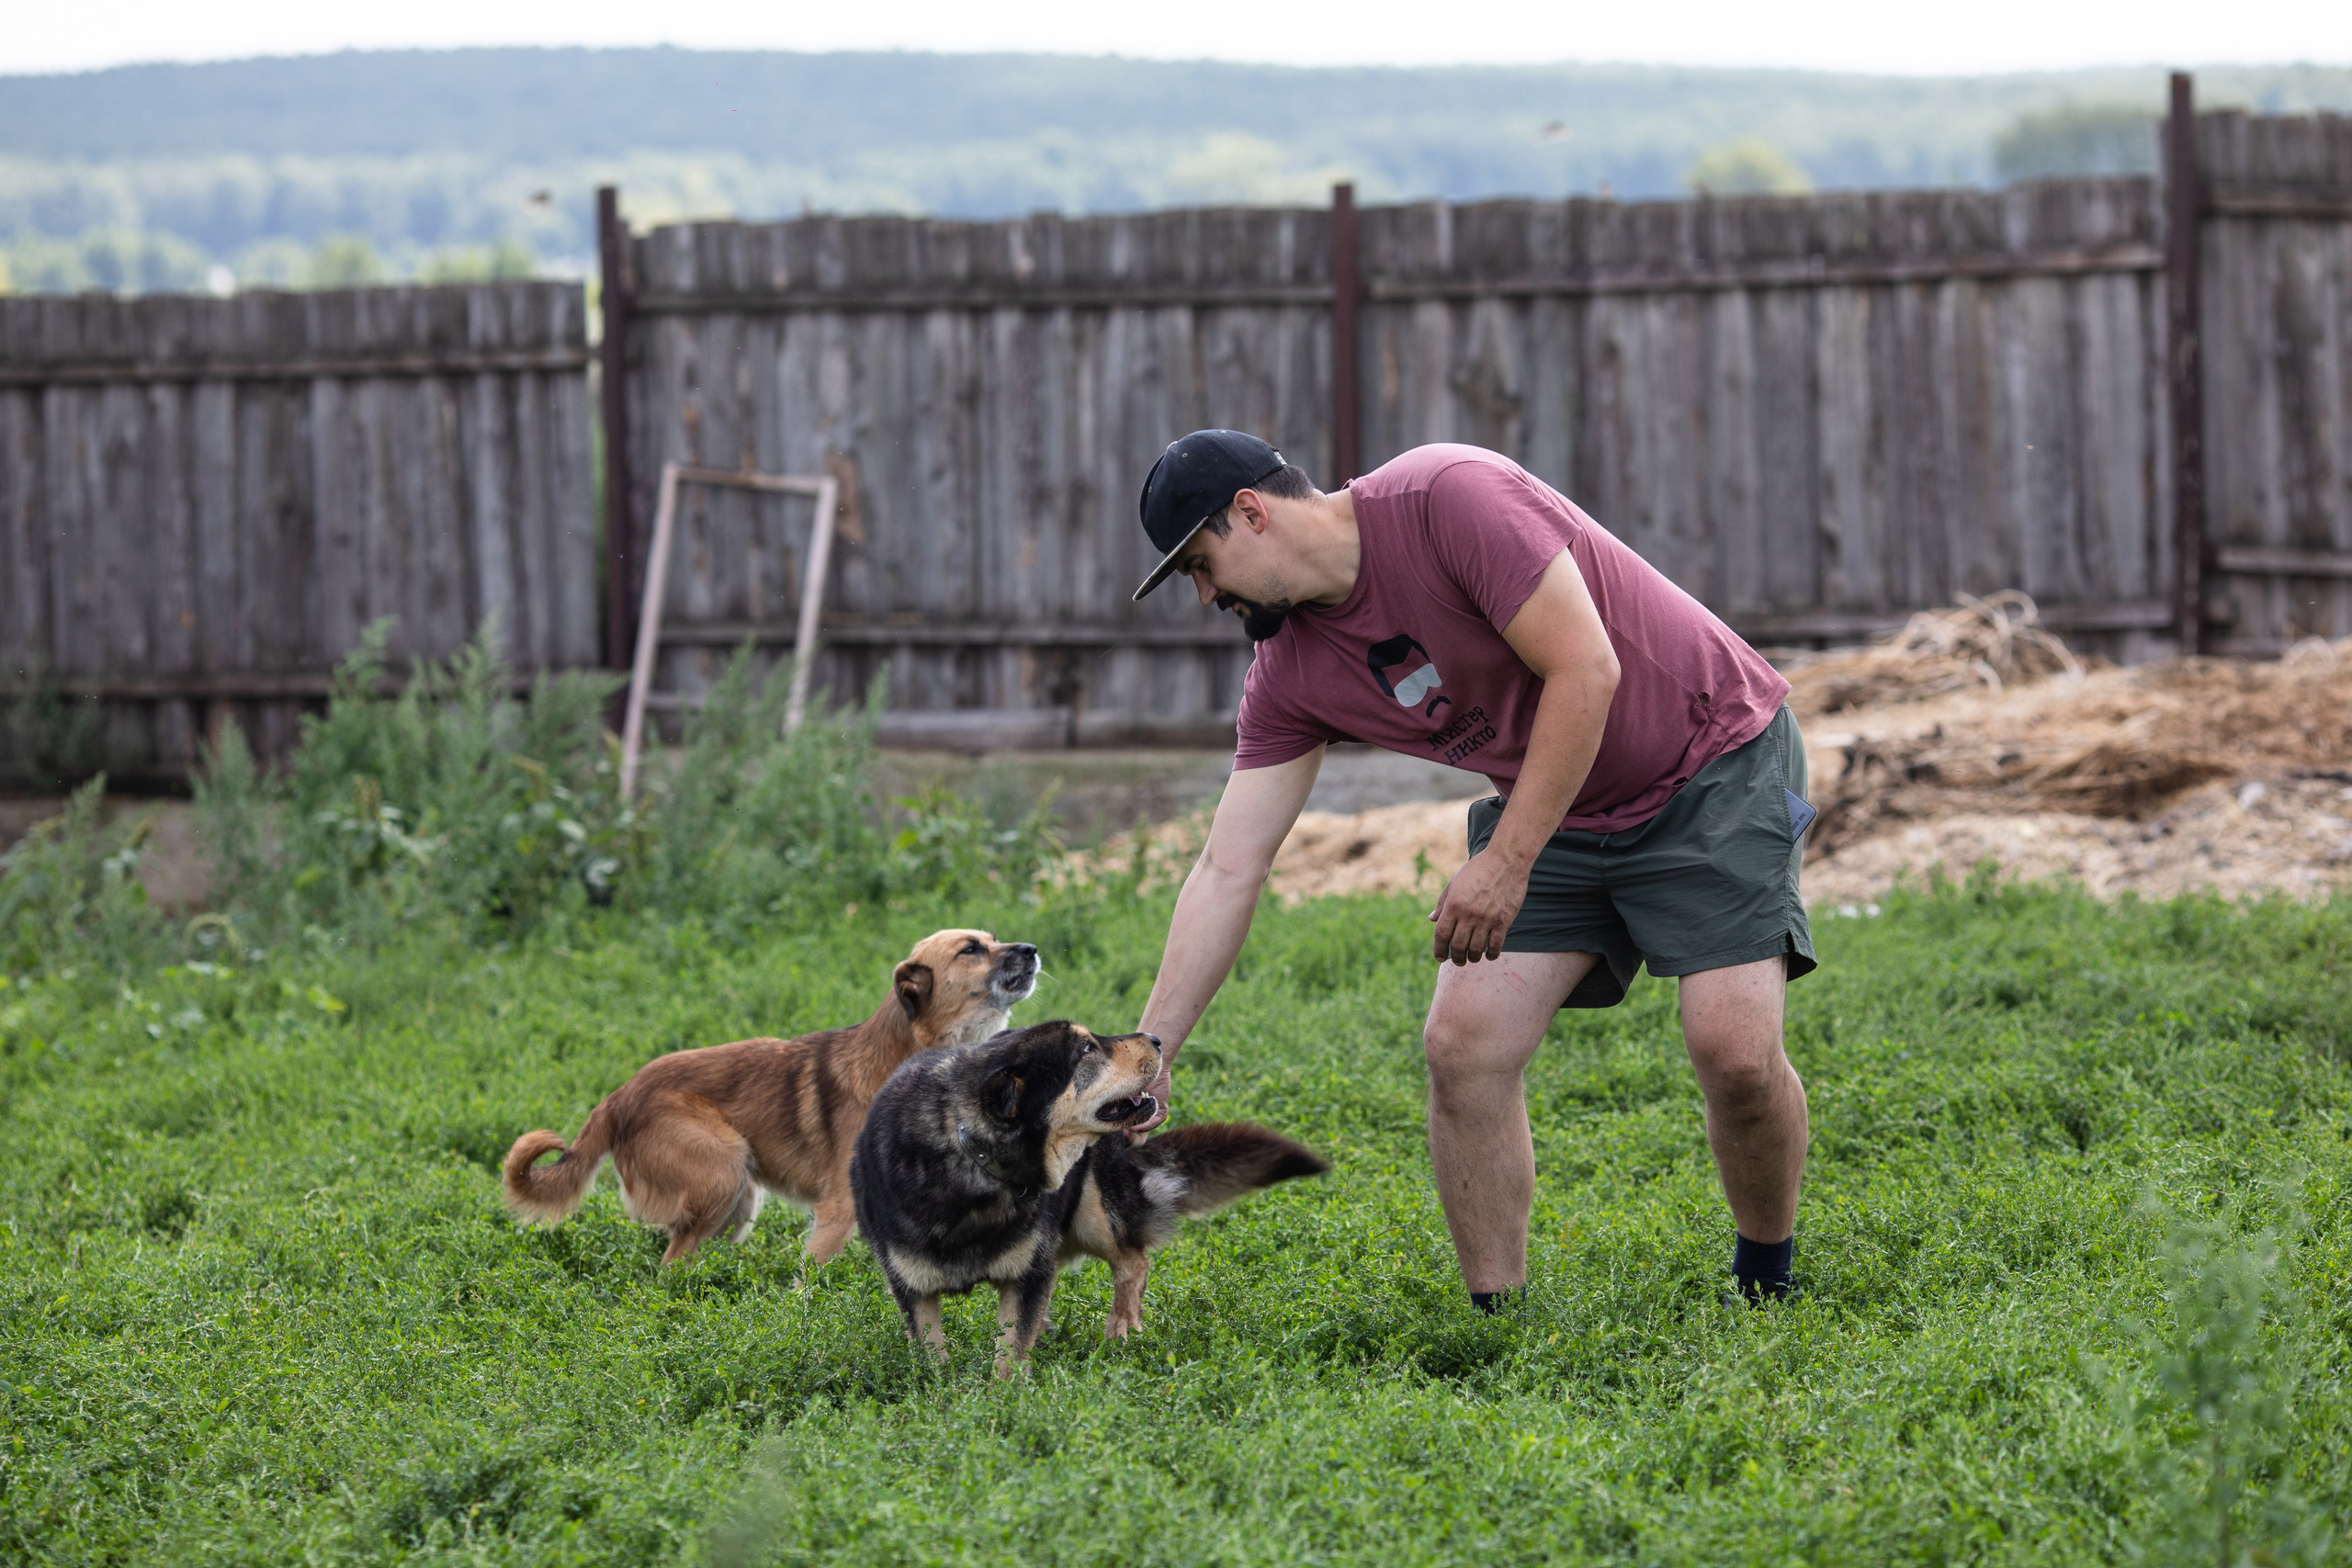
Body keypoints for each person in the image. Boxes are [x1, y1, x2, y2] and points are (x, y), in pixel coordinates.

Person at [1126, 430, 1815, 1306]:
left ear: (1252, 513)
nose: (1203, 594)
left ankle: (1768, 1283)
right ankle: (1497, 1317)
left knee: (1733, 1053)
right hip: (1560, 800)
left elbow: (1586, 668)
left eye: (1199, 563)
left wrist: (1505, 863)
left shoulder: (1447, 496)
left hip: (1711, 758)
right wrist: (1150, 1051)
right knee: (1463, 1046)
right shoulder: (1288, 675)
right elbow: (1229, 866)